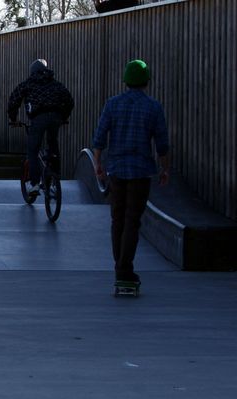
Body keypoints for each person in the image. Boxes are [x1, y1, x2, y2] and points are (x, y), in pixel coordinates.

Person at [92, 59, 170, 286]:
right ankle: (124, 269)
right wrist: (165, 168)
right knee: (132, 220)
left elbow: (99, 138)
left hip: (116, 169)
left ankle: (121, 267)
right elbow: (162, 143)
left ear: (126, 79)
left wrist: (98, 165)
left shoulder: (112, 104)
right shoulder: (153, 107)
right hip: (140, 171)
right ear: (146, 81)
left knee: (117, 219)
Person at [6, 59, 75, 196]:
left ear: (32, 72)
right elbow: (69, 100)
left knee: (33, 149)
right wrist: (64, 117)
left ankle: (35, 183)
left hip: (38, 118)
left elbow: (14, 100)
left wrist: (14, 119)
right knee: (52, 144)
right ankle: (56, 176)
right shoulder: (56, 84)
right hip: (55, 117)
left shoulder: (28, 84)